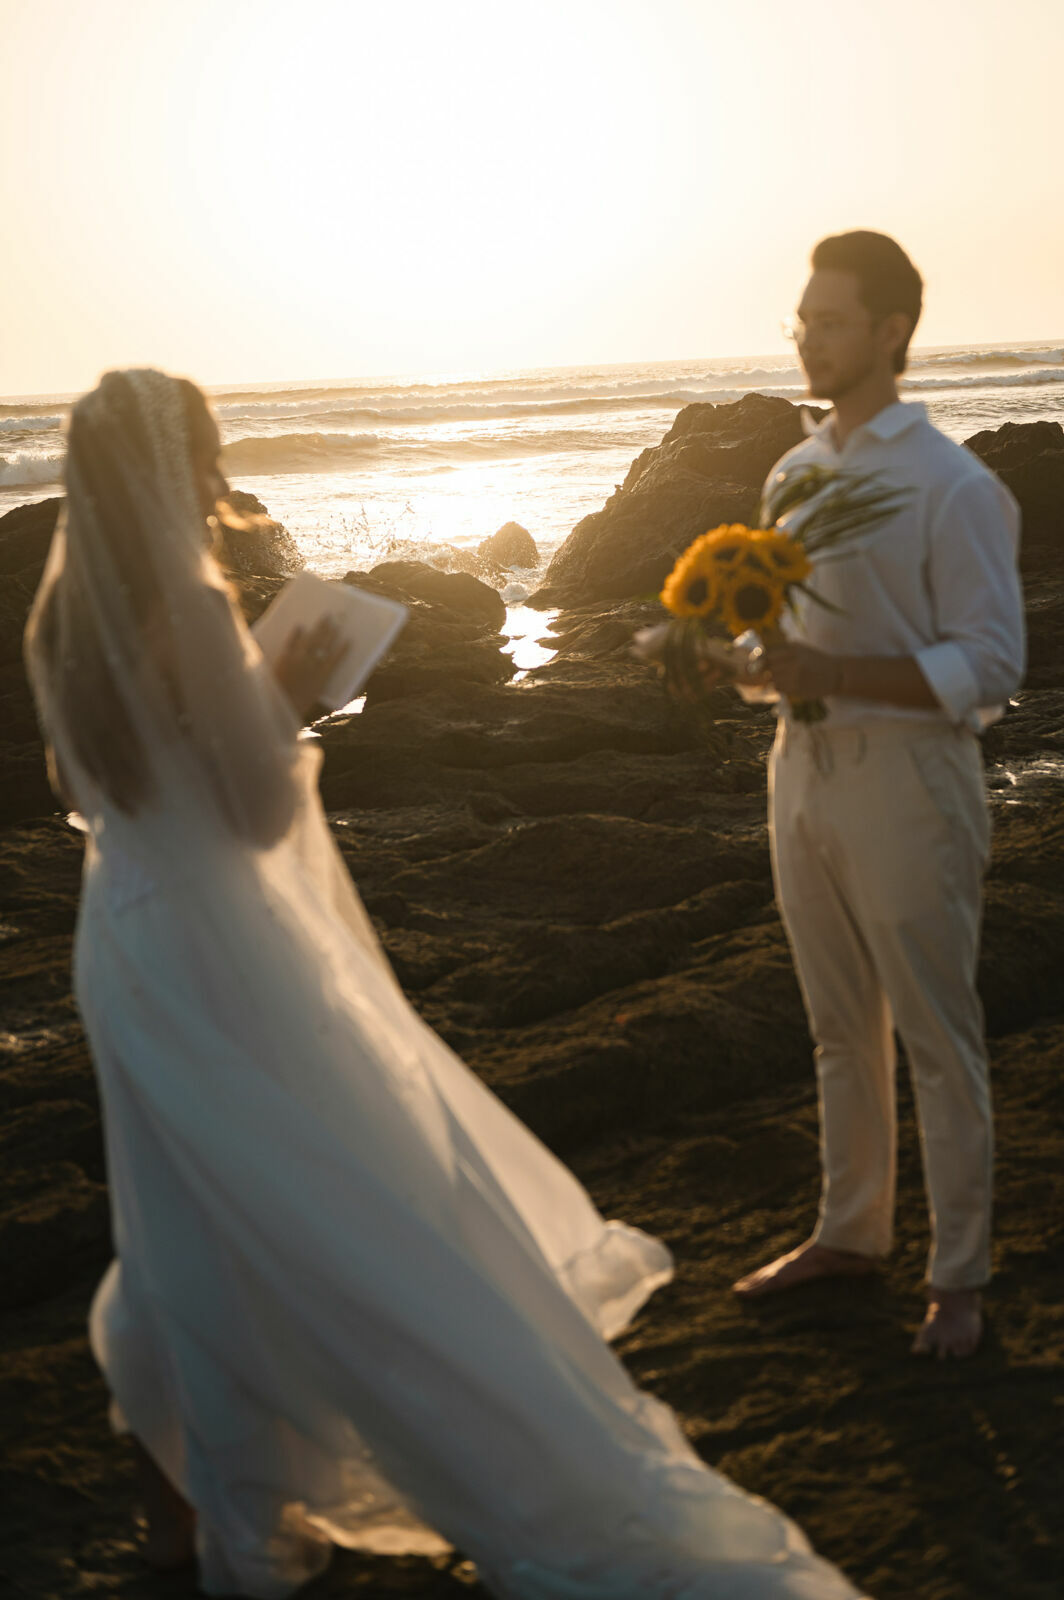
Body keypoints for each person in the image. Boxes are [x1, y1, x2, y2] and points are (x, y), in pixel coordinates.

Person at [24, 369, 864, 1599]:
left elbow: (77, 790)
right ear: (168, 472)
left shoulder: (59, 624)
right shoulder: (193, 614)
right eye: (203, 459)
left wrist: (235, 718)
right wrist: (294, 695)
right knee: (344, 1196)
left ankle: (200, 1516)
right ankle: (403, 1443)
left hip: (124, 939)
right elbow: (255, 812)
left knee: (179, 1212)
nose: (216, 480)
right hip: (217, 941)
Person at [730, 232, 1025, 1360]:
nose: (806, 335)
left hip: (909, 778)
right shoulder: (791, 473)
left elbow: (991, 664)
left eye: (828, 320)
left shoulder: (951, 485)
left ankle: (957, 1278)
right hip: (797, 770)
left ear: (890, 332)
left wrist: (837, 676)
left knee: (938, 1036)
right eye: (799, 318)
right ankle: (848, 1232)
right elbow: (783, 635)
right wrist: (740, 655)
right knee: (834, 1024)